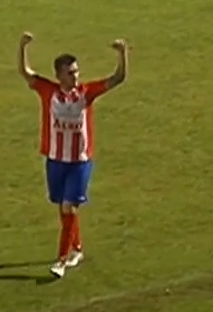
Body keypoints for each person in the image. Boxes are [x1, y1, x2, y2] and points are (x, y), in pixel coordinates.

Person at [17, 31, 130, 278]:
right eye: (70, 73)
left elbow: (118, 78)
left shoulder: (87, 92)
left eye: (77, 71)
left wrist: (122, 54)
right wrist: (23, 46)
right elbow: (26, 72)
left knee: (69, 206)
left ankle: (61, 259)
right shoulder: (49, 92)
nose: (76, 76)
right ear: (59, 75)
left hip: (80, 161)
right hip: (56, 160)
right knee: (64, 207)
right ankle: (76, 248)